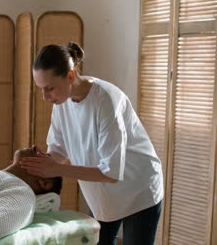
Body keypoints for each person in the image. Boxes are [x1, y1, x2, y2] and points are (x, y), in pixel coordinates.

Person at [20, 42, 163, 245]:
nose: (45, 97)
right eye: (41, 89)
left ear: (70, 76)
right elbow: (58, 150)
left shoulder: (106, 102)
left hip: (138, 189)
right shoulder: (62, 101)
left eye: (49, 88)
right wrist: (40, 164)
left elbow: (111, 172)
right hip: (102, 193)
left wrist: (55, 168)